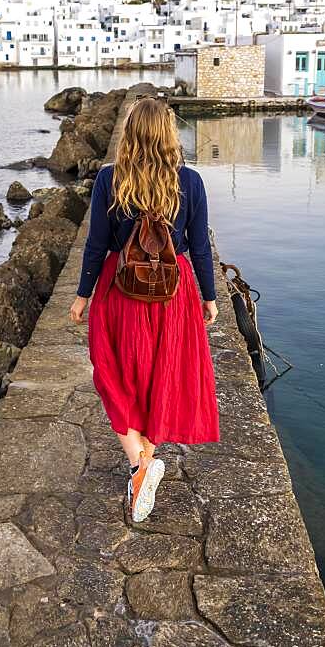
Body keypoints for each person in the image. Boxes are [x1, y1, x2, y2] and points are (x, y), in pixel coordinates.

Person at [70, 94, 220, 523]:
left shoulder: (110, 179)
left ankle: (140, 466)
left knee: (113, 376)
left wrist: (82, 295)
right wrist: (208, 296)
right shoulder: (189, 182)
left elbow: (97, 244)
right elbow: (202, 247)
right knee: (158, 381)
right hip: (174, 293)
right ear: (168, 135)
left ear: (130, 135)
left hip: (122, 291)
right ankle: (141, 468)